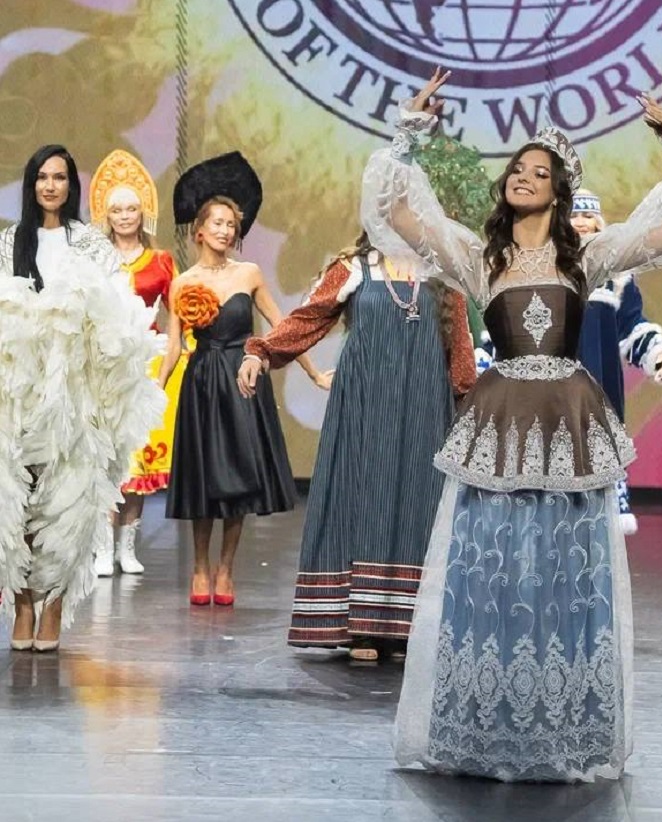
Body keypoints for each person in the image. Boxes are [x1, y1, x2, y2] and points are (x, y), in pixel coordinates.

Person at [362, 68, 662, 781]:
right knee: (489, 565)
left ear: (559, 191)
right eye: (517, 169)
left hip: (566, 421)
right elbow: (400, 213)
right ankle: (485, 726)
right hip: (501, 419)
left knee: (562, 571)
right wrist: (408, 130)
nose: (523, 177)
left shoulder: (586, 257)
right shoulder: (480, 256)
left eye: (539, 172)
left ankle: (559, 727)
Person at [238, 232, 476, 661]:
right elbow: (308, 317)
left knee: (418, 503)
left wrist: (469, 404)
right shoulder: (354, 268)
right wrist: (262, 352)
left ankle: (404, 627)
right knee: (361, 499)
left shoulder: (441, 274)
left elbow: (460, 349)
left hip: (423, 407)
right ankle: (361, 628)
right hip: (364, 405)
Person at [0, 144, 164, 650]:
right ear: (31, 184)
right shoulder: (11, 241)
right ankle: (21, 605)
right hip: (19, 388)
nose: (50, 186)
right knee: (16, 499)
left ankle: (53, 606)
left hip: (75, 389)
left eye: (59, 177)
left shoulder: (89, 243)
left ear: (71, 185)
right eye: (42, 177)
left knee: (69, 500)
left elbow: (117, 308)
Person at [159, 152, 328, 607]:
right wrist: (154, 391)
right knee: (204, 477)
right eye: (217, 223)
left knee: (238, 478)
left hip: (242, 381)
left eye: (231, 225)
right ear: (199, 230)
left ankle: (226, 568)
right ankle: (199, 567)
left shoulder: (248, 274)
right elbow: (174, 346)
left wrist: (313, 372)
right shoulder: (182, 282)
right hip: (202, 383)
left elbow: (282, 328)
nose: (225, 230)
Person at [89, 148, 186, 576]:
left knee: (138, 459)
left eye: (131, 209)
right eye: (117, 210)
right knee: (104, 458)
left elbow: (176, 318)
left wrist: (165, 370)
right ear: (105, 215)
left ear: (142, 212)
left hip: (146, 365)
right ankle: (100, 548)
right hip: (105, 366)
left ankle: (127, 547)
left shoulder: (162, 261)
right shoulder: (95, 259)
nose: (125, 216)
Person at [570, 188, 662, 534]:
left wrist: (658, 352)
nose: (581, 222)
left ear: (599, 221)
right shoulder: (544, 266)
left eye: (588, 215)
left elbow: (631, 325)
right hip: (551, 387)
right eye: (573, 215)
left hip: (598, 387)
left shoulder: (616, 274)